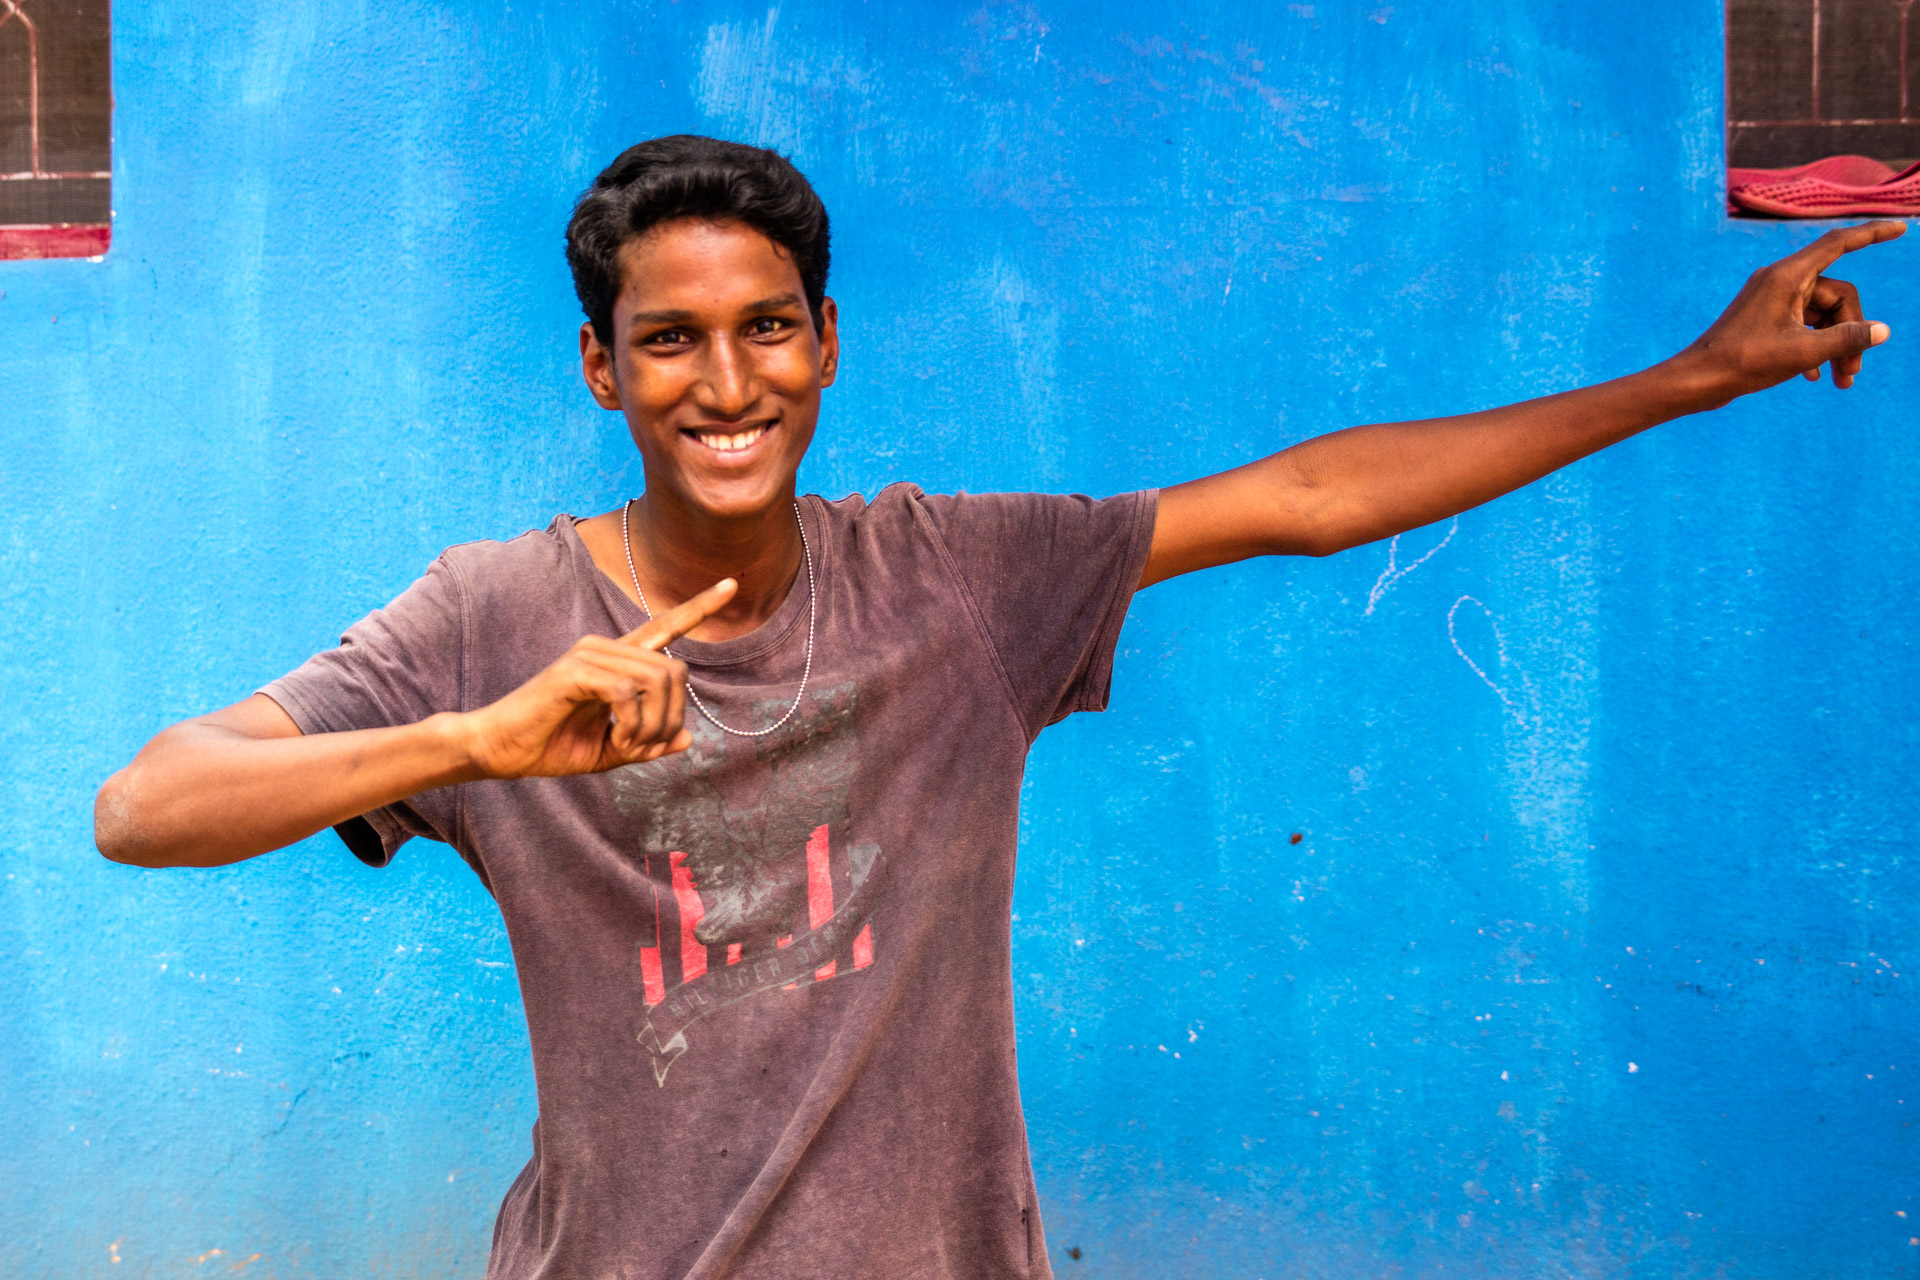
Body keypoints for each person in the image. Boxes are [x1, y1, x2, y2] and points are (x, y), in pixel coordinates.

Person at [94, 135, 1900, 1280]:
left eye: (769, 327)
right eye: (670, 340)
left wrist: (1694, 377)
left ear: (825, 341)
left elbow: (1304, 500)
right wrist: (476, 743)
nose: (727, 383)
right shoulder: (496, 616)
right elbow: (148, 804)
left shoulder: (950, 581)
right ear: (601, 369)